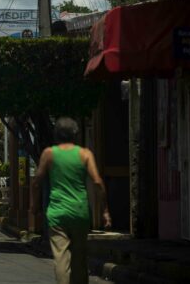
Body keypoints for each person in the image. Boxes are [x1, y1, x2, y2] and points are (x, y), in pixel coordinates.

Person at [32, 117, 111, 284]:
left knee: (61, 258)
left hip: (57, 213)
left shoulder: (49, 153)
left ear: (56, 135)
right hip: (80, 213)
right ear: (75, 134)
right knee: (80, 258)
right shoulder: (85, 154)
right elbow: (97, 182)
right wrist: (105, 211)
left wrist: (34, 206)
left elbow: (37, 181)